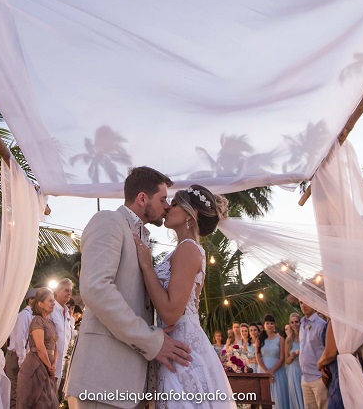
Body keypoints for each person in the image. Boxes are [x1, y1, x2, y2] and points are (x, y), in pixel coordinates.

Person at [65, 166, 191, 409]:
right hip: (101, 381)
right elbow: (96, 289)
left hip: (131, 385)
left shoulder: (143, 238)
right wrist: (151, 341)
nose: (167, 206)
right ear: (142, 198)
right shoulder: (109, 221)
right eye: (163, 199)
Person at [133, 183, 236, 408]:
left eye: (176, 203)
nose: (168, 207)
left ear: (192, 214)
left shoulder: (188, 249)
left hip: (183, 349)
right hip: (174, 345)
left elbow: (171, 313)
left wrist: (147, 266)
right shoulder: (183, 249)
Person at [18, 287, 59, 409]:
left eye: (53, 300)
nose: (53, 303)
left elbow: (55, 345)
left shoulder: (50, 322)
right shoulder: (37, 321)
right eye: (50, 301)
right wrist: (49, 366)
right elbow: (40, 347)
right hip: (36, 366)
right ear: (40, 304)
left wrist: (54, 364)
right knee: (40, 402)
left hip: (49, 365)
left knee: (50, 401)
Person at [7, 289, 38, 408]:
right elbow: (20, 338)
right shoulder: (24, 315)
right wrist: (22, 359)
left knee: (21, 392)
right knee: (15, 391)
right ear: (30, 300)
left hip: (22, 355)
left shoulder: (31, 315)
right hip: (16, 355)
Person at [299, 302, 328, 409]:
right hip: (305, 377)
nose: (303, 305)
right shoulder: (302, 324)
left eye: (306, 302)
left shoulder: (321, 324)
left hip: (318, 377)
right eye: (301, 302)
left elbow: (327, 349)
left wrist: (324, 375)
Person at [50, 278, 76, 395]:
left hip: (64, 366)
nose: (69, 294)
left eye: (70, 291)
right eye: (66, 290)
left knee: (57, 399)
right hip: (51, 365)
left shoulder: (68, 314)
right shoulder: (51, 310)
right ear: (57, 291)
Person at [258, 314, 288, 409]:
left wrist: (271, 372)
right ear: (264, 325)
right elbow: (258, 356)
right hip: (263, 371)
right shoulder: (260, 339)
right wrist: (266, 372)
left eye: (271, 323)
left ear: (274, 325)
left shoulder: (281, 339)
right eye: (267, 323)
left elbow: (282, 358)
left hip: (277, 371)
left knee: (278, 397)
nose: (270, 325)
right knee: (265, 397)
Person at [317, 321, 343, 409]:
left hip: (338, 371)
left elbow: (330, 354)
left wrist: (320, 364)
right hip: (350, 367)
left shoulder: (334, 321)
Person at [285, 313, 304, 409]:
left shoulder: (305, 336)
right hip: (293, 370)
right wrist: (292, 355)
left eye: (296, 322)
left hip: (305, 370)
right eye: (292, 322)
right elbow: (286, 360)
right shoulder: (288, 340)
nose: (294, 324)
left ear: (300, 322)